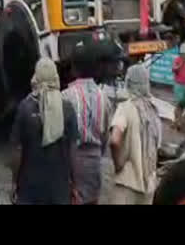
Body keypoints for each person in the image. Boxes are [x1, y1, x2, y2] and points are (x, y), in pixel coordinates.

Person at [9, 58, 78, 205]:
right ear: (56, 77)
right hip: (59, 189)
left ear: (36, 76)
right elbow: (73, 151)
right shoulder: (67, 108)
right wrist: (74, 183)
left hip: (29, 189)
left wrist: (14, 182)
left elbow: (17, 151)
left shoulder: (24, 108)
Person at [61, 42, 110, 205]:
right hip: (94, 162)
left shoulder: (65, 97)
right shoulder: (104, 97)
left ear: (73, 69)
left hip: (72, 165)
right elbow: (105, 137)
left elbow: (61, 138)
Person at [109, 64, 162, 205]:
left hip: (127, 185)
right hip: (148, 186)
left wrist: (118, 164)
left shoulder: (125, 108)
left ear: (129, 83)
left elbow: (114, 140)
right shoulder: (154, 112)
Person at [171, 52, 185, 126]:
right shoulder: (177, 60)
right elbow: (174, 69)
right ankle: (176, 120)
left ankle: (178, 121)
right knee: (178, 103)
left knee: (183, 105)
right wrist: (181, 64)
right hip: (178, 85)